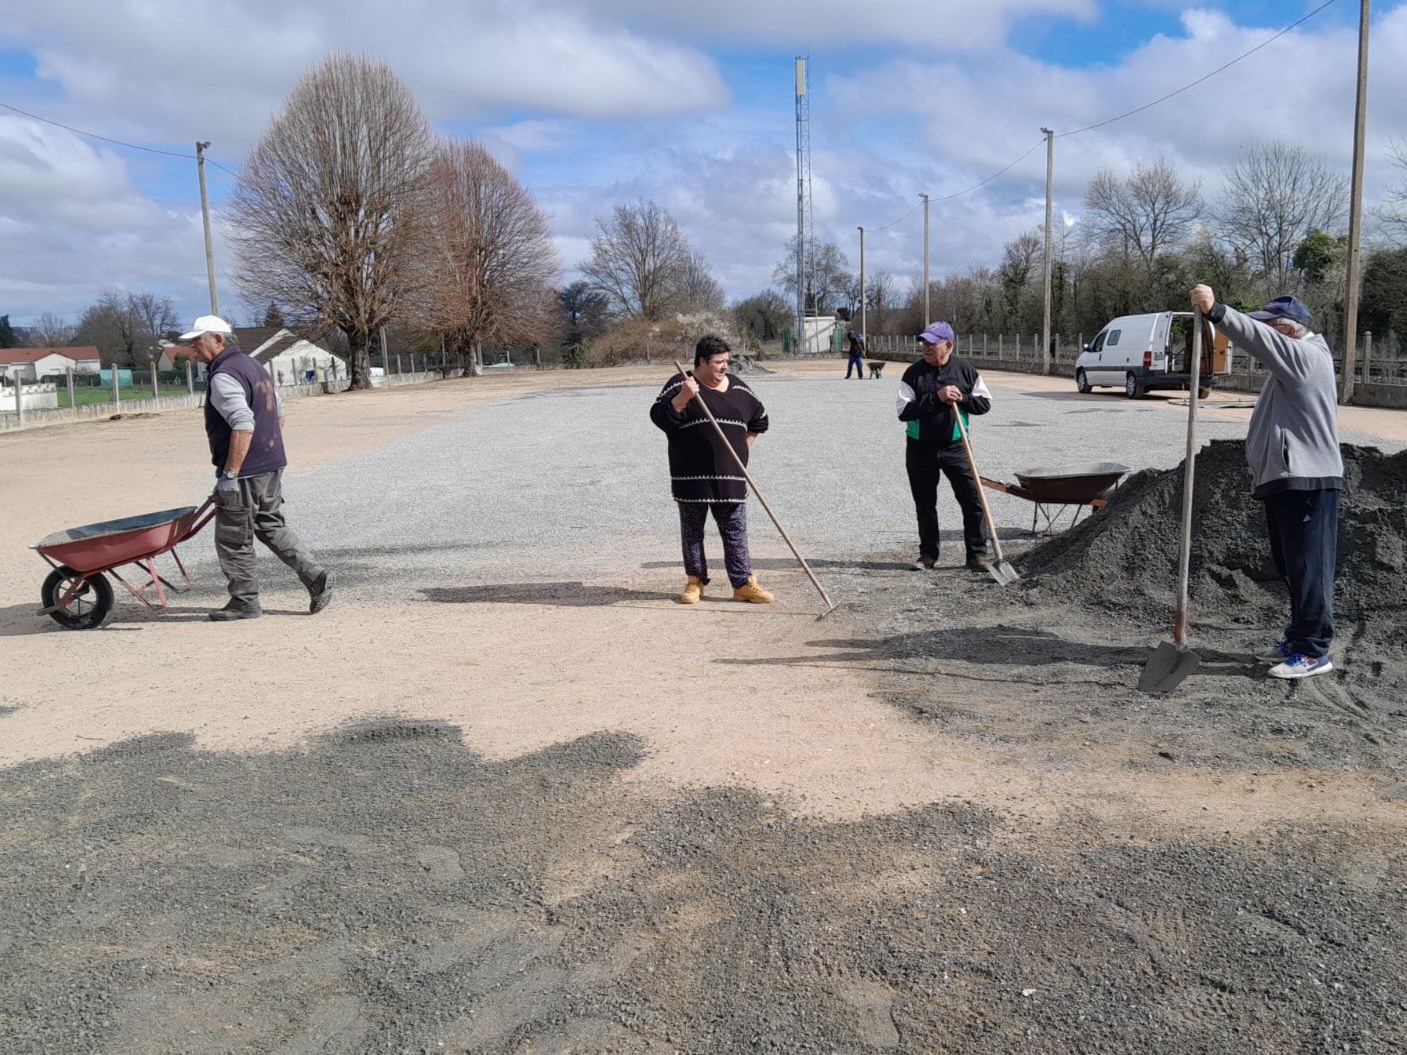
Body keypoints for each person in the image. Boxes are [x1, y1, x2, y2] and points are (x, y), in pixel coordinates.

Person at [1189, 287, 1341, 679]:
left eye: (1269, 328)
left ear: (1286, 332)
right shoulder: (1291, 365)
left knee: (1309, 568)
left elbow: (1257, 339)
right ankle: (1299, 637)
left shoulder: (1304, 357)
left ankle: (1313, 651)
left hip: (1307, 481)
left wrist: (1217, 311)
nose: (1263, 335)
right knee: (1291, 567)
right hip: (1286, 479)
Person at [181, 315, 332, 621]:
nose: (192, 347)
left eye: (198, 340)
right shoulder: (253, 365)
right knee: (269, 524)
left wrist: (231, 474)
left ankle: (244, 601)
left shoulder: (224, 374)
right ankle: (315, 576)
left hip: (245, 471)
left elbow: (242, 424)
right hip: (271, 465)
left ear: (218, 339)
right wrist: (267, 449)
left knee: (233, 537)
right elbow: (279, 410)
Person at [650, 334, 772, 604]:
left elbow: (760, 420)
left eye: (727, 361)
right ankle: (695, 582)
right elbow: (660, 417)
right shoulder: (681, 384)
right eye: (719, 362)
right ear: (702, 362)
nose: (724, 367)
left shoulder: (739, 389)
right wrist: (682, 398)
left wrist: (744, 446)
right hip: (691, 477)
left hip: (731, 476)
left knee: (735, 530)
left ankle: (742, 583)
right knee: (693, 531)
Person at [898, 321, 992, 571]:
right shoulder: (913, 374)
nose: (925, 347)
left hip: (956, 446)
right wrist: (935, 398)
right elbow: (903, 411)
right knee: (925, 503)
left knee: (973, 500)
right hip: (920, 448)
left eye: (931, 343)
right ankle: (928, 555)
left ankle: (977, 555)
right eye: (924, 343)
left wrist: (963, 398)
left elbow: (984, 404)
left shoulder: (965, 370)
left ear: (948, 345)